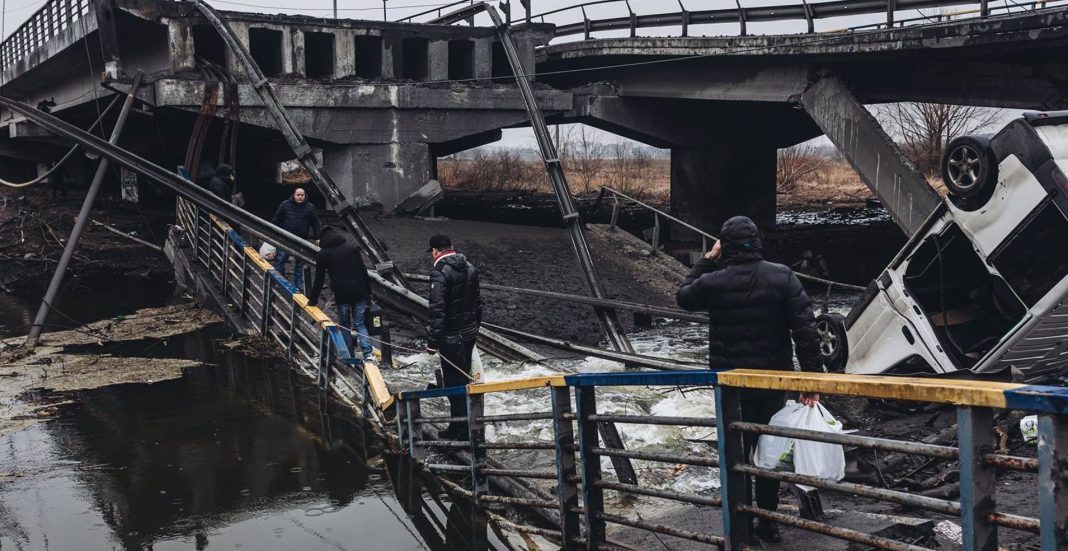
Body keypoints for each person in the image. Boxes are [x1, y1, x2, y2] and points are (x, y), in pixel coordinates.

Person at [676, 215, 823, 544]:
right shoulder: (782, 276)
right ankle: (767, 522)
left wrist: (708, 259)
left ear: (724, 246)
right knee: (767, 453)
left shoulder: (715, 281)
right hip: (773, 382)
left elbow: (683, 296)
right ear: (757, 242)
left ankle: (740, 527)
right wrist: (811, 381)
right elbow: (806, 332)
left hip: (731, 387)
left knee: (736, 454)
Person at [425, 234, 481, 440]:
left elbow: (437, 310)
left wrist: (432, 342)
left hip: (451, 337)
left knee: (453, 384)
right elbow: (478, 303)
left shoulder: (440, 273)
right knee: (463, 378)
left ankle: (462, 430)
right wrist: (475, 328)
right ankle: (460, 426)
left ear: (435, 251)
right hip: (468, 333)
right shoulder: (470, 267)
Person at [306, 226, 375, 363]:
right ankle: (368, 354)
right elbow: (363, 271)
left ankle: (350, 355)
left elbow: (319, 279)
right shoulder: (352, 248)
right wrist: (369, 293)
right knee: (360, 323)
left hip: (342, 294)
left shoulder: (323, 254)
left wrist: (312, 300)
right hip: (359, 291)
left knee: (344, 324)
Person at [271, 187, 320, 291]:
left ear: (305, 196)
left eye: (302, 195)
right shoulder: (285, 205)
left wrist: (318, 237)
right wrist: (272, 232)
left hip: (301, 240)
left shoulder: (310, 207)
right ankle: (275, 283)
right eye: (298, 195)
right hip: (285, 239)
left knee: (300, 264)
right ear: (293, 195)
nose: (300, 197)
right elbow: (277, 219)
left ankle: (299, 286)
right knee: (280, 260)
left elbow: (315, 223)